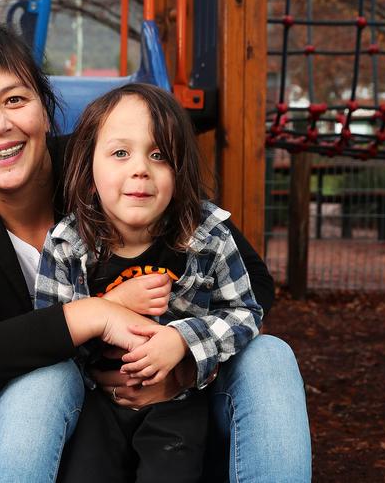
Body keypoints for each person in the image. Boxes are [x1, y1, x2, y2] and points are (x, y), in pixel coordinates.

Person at [0, 20, 311, 483]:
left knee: (270, 355)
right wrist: (96, 315)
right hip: (55, 420)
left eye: (15, 99)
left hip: (179, 410)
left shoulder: (109, 166)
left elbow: (250, 279)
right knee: (46, 374)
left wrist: (186, 361)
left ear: (44, 109)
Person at [34, 83, 264, 482]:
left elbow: (245, 312)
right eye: (120, 153)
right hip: (96, 405)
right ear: (90, 173)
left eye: (158, 155)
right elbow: (48, 336)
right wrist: (109, 307)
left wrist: (183, 341)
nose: (140, 167)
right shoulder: (67, 245)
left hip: (178, 404)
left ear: (179, 174)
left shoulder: (208, 237)